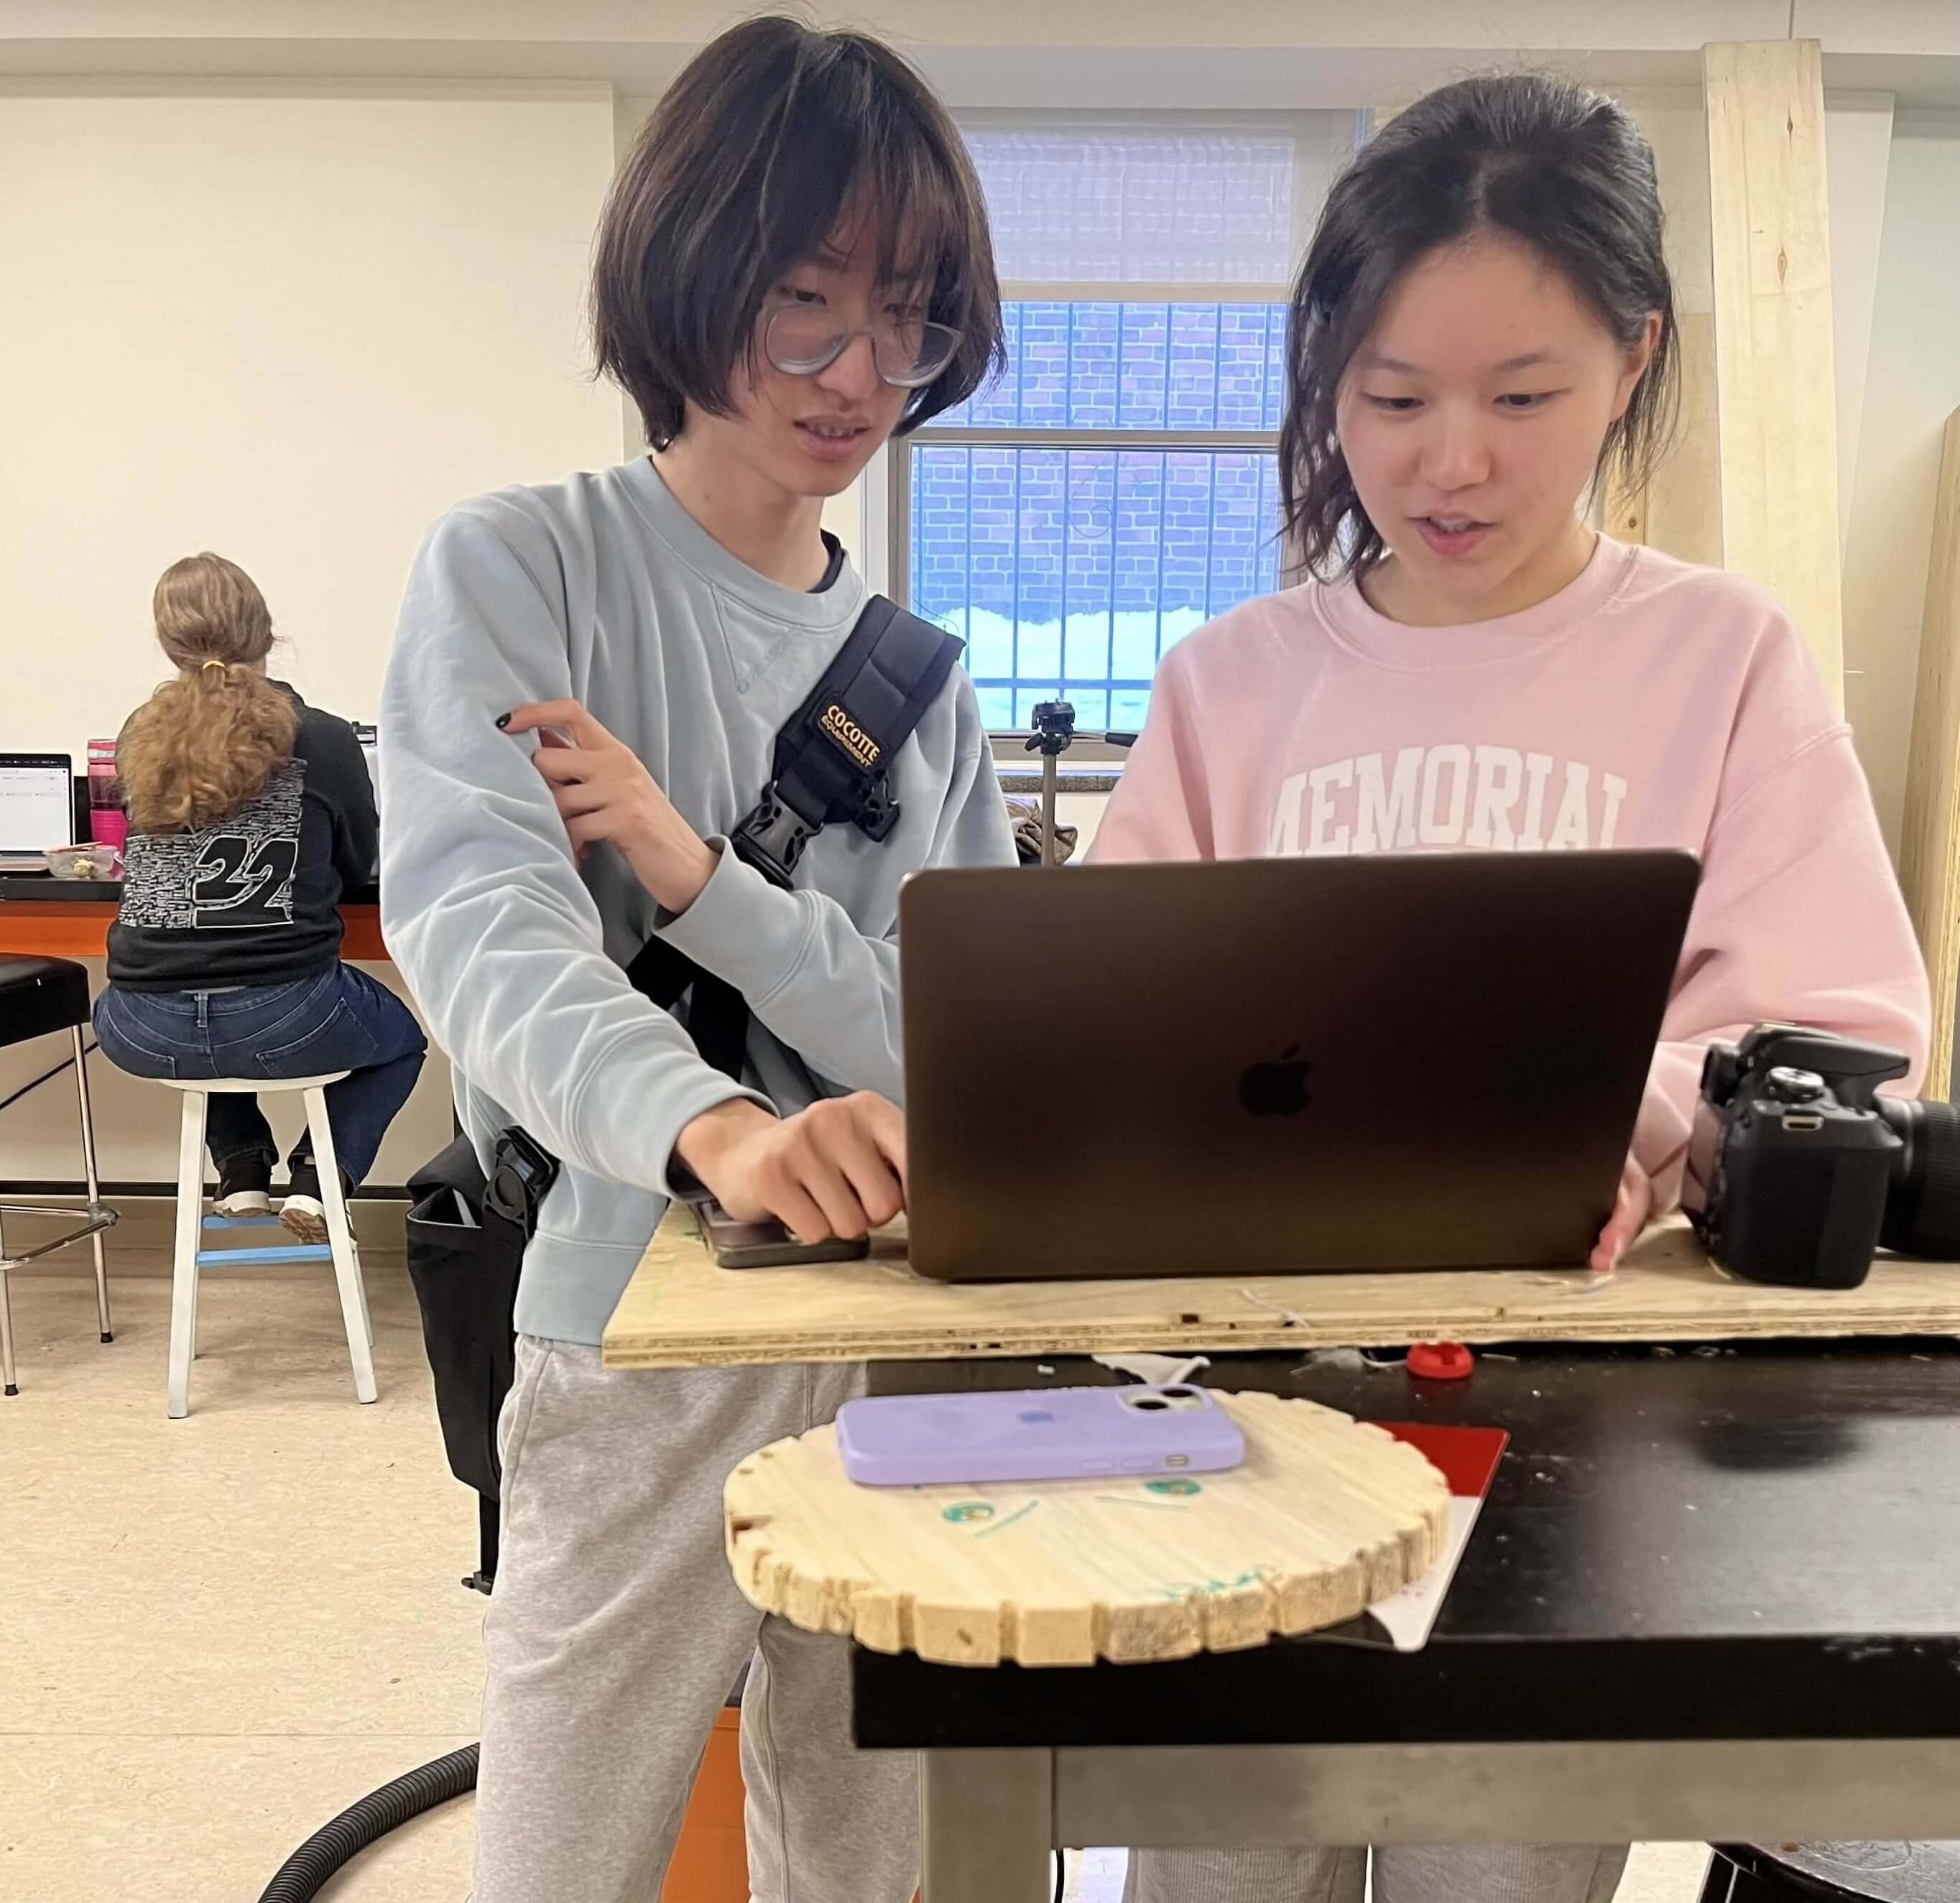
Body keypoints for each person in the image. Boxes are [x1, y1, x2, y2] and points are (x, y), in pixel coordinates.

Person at [1093, 73, 1931, 1903]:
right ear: (1324, 378)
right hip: (1258, 1420)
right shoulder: (1230, 684)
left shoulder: (1719, 656)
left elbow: (1848, 1033)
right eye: (1390, 398)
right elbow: (1096, 1041)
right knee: (1215, 1871)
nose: (1447, 458)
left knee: (1498, 1873)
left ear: (1628, 362)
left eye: (1521, 396)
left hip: (1578, 1418)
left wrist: (1662, 1100)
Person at [378, 18, 1013, 1902]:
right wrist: (719, 1126)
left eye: (907, 311)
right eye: (807, 300)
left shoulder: (925, 683)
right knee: (568, 1844)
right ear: (693, 271)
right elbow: (480, 926)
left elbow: (948, 1040)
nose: (861, 368)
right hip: (627, 1318)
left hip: (898, 1345)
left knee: (887, 1849)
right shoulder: (523, 567)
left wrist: (698, 881)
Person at [95, 552, 426, 1241]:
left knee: (203, 973)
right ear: (265, 633)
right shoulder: (325, 739)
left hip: (136, 1023)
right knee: (400, 1043)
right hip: (287, 1013)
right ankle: (319, 1179)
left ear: (168, 643)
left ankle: (242, 1167)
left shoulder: (136, 736)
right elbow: (360, 860)